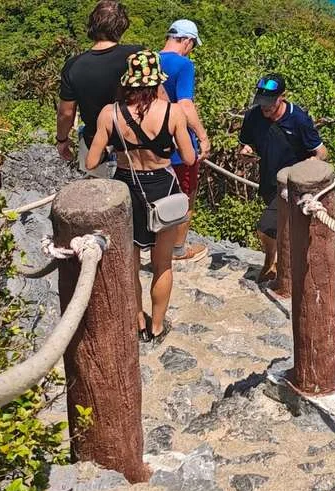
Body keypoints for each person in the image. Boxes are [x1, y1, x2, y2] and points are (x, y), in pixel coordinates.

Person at [84, 50, 196, 343]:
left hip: (126, 189)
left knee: (130, 265)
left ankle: (137, 323)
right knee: (162, 264)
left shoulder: (110, 113)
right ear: (157, 81)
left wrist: (116, 149)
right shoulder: (173, 112)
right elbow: (189, 157)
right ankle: (157, 326)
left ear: (128, 82)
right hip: (163, 189)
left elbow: (91, 161)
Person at [236, 73, 326, 283]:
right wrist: (246, 151)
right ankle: (283, 268)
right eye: (261, 101)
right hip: (269, 180)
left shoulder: (298, 119)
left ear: (282, 97)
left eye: (269, 102)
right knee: (282, 228)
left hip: (293, 185)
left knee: (266, 228)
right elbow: (246, 144)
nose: (265, 107)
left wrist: (312, 163)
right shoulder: (253, 116)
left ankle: (273, 265)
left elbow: (322, 152)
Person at [55, 1, 142, 175]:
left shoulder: (74, 65)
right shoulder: (137, 55)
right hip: (137, 142)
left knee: (98, 191)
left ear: (92, 25)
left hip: (95, 146)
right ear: (122, 26)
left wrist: (62, 140)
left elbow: (66, 113)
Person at [159, 19, 209, 264]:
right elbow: (185, 105)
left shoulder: (149, 60)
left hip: (151, 143)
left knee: (159, 195)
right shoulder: (184, 65)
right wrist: (202, 136)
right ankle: (177, 249)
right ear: (188, 41)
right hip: (178, 144)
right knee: (186, 194)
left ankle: (155, 244)